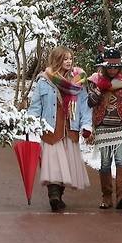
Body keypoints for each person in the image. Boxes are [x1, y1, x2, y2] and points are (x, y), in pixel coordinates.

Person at [28, 46, 92, 211]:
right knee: (53, 164)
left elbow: (84, 106)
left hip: (70, 129)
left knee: (67, 166)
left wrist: (86, 125)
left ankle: (59, 196)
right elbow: (35, 106)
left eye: (70, 58)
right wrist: (29, 123)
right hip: (51, 129)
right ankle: (54, 196)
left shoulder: (78, 81)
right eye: (65, 58)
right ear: (57, 60)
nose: (69, 61)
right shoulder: (44, 81)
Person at [86, 48, 122, 209]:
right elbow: (90, 102)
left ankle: (121, 196)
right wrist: (100, 88)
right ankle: (106, 196)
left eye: (115, 66)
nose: (112, 69)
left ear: (120, 66)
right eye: (109, 67)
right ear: (103, 66)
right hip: (103, 126)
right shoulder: (95, 80)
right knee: (105, 163)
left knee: (120, 160)